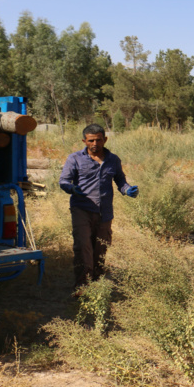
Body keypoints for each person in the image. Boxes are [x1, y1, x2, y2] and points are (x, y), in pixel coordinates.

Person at [59, 124, 139, 295]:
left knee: (100, 248)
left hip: (104, 212)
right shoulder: (75, 159)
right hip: (82, 208)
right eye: (91, 140)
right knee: (83, 246)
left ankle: (97, 285)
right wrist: (72, 189)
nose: (95, 143)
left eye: (98, 140)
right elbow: (64, 181)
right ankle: (82, 287)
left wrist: (127, 190)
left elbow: (120, 181)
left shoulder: (113, 160)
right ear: (84, 141)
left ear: (105, 139)